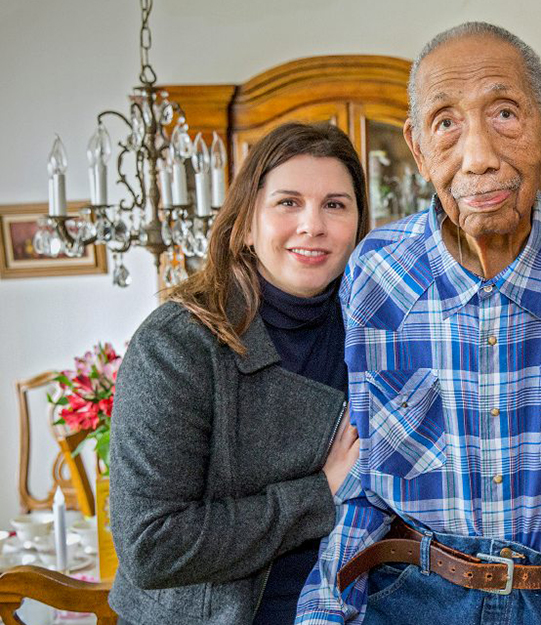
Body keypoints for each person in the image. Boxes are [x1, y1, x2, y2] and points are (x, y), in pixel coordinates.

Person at [296, 22, 541, 625]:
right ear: (418, 150)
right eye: (446, 123)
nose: (477, 157)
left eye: (504, 113)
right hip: (414, 596)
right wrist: (324, 611)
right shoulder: (375, 273)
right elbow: (365, 480)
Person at [109, 122, 369, 625]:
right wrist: (319, 492)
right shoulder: (177, 342)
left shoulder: (373, 327)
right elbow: (151, 547)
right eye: (288, 202)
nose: (312, 225)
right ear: (247, 223)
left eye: (335, 205)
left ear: (358, 223)